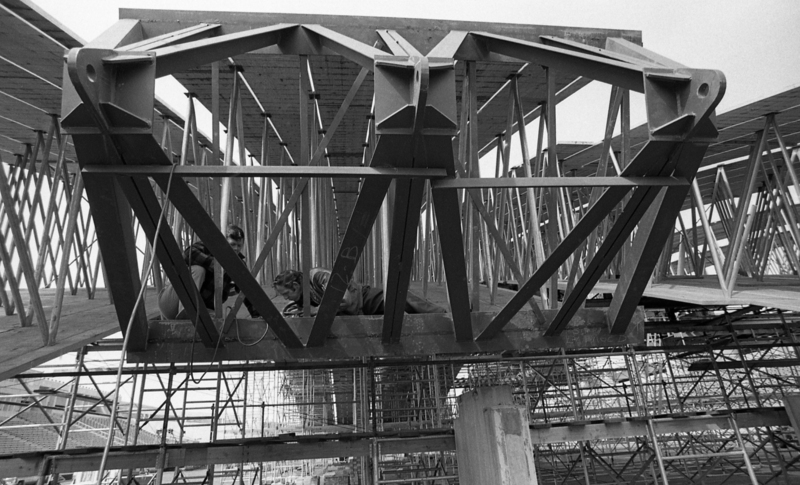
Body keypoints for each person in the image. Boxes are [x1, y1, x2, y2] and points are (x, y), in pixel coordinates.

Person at [158, 224, 259, 319]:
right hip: (171, 303)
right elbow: (188, 254)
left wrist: (257, 315)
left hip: (202, 309)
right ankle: (187, 311)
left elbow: (246, 291)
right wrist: (217, 266)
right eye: (232, 244)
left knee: (222, 320)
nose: (236, 248)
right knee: (198, 270)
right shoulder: (209, 247)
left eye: (239, 245)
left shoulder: (238, 265)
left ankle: (193, 313)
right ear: (223, 242)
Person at [273, 267, 447, 317]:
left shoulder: (318, 277)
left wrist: (316, 311)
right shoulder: (299, 300)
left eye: (286, 294)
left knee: (400, 298)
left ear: (295, 286)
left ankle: (443, 315)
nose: (285, 298)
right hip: (353, 317)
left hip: (363, 300)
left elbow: (344, 300)